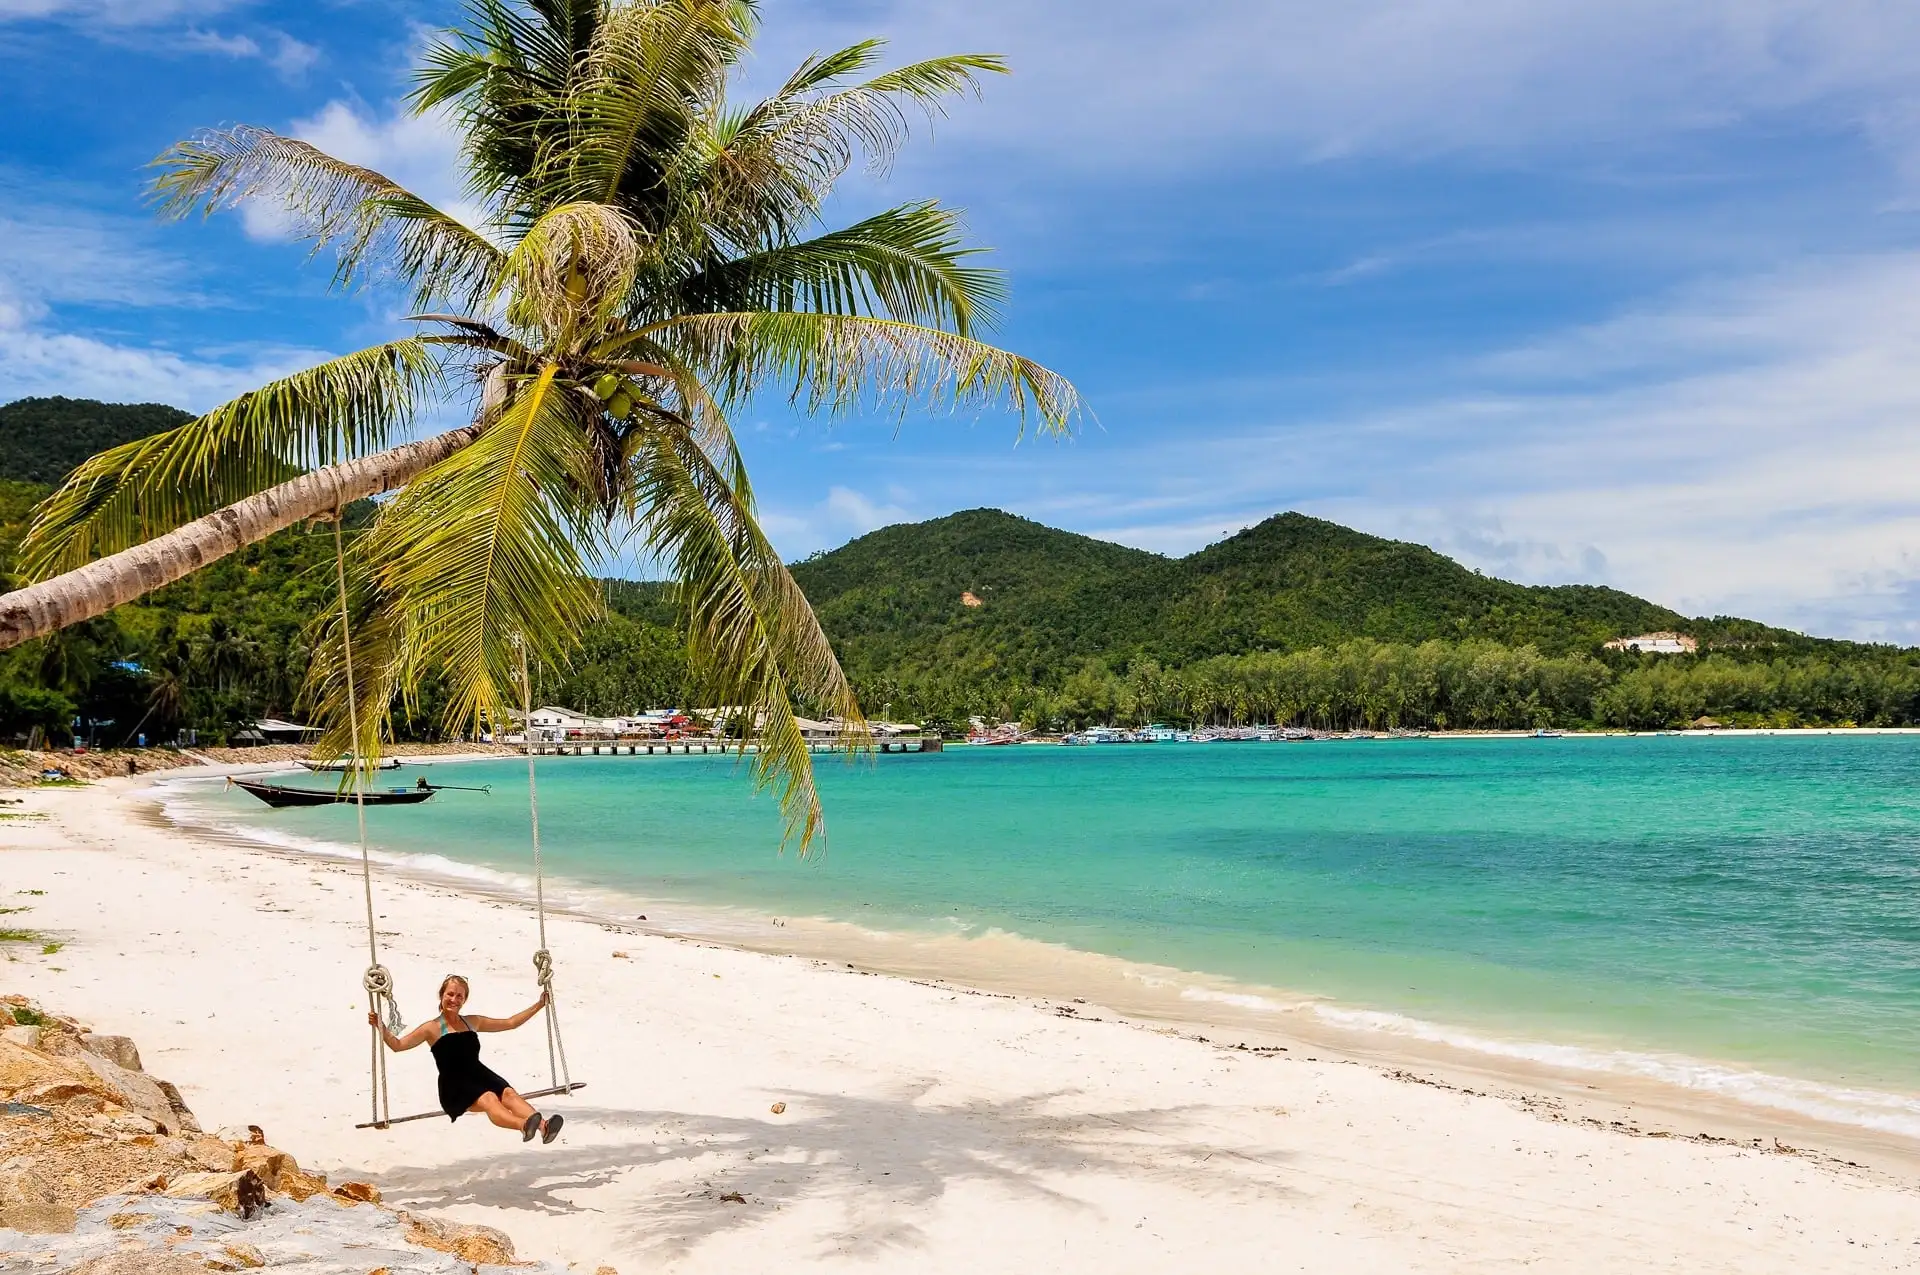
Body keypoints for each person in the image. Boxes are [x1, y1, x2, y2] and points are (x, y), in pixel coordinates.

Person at [368, 974, 563, 1143]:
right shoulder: (432, 1028)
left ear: (464, 1000)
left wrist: (539, 1005)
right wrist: (381, 1027)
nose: (454, 999)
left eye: (459, 996)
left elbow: (510, 1023)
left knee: (509, 1094)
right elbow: (398, 1045)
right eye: (450, 994)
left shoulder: (472, 1022)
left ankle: (544, 1127)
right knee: (489, 1099)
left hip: (481, 1074)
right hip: (455, 1084)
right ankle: (523, 1126)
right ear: (442, 996)